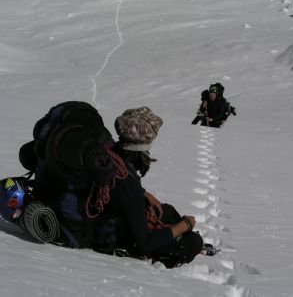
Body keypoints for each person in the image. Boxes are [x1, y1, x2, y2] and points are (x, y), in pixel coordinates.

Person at [17, 102, 205, 268]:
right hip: (84, 230)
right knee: (191, 240)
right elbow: (145, 243)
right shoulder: (127, 182)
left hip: (57, 200)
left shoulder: (103, 150)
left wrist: (145, 194)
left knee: (166, 212)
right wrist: (184, 225)